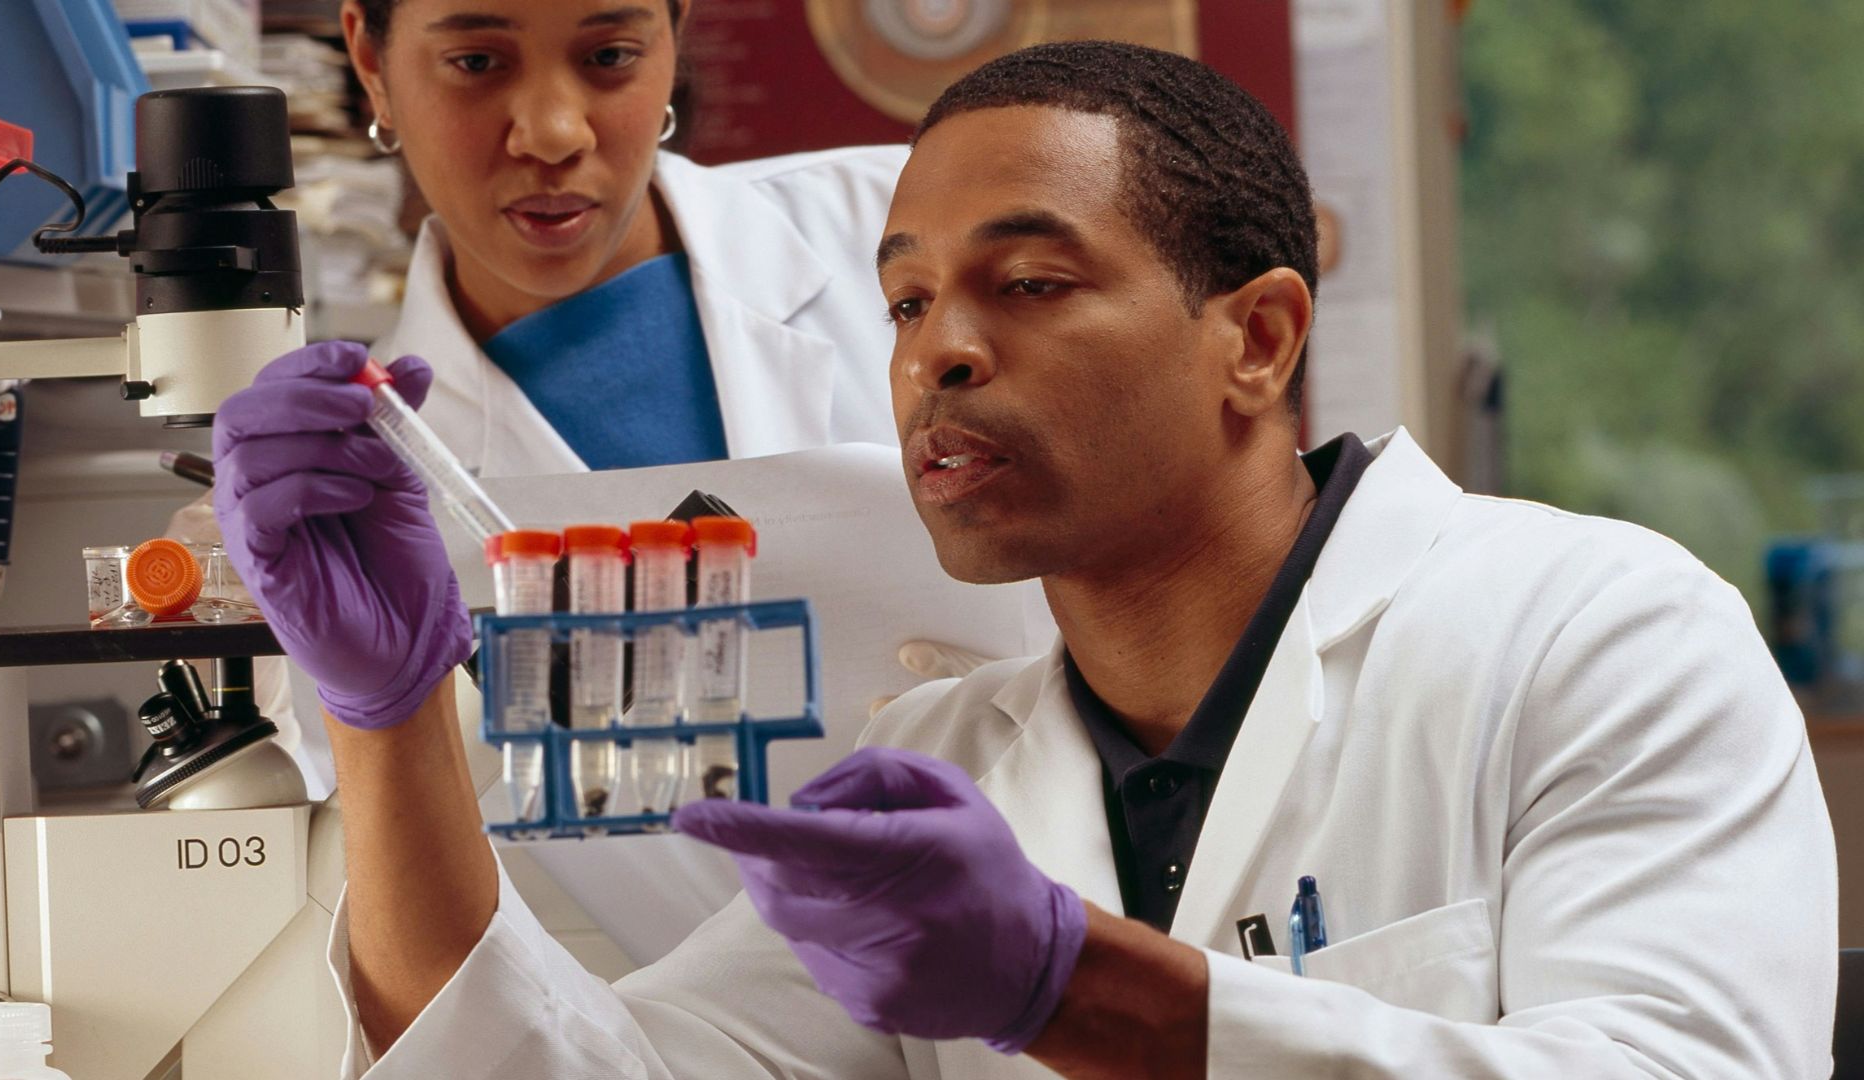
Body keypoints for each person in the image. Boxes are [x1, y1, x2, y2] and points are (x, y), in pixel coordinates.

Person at [212, 40, 1838, 1079]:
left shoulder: (1598, 640)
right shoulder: (934, 782)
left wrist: (1079, 993)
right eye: (908, 302)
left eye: (1032, 284)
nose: (938, 357)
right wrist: (390, 712)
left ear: (1258, 334)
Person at [226, 0, 988, 965]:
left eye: (611, 56)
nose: (552, 131)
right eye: (475, 61)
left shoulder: (906, 227)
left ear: (673, 43)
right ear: (372, 61)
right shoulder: (361, 510)